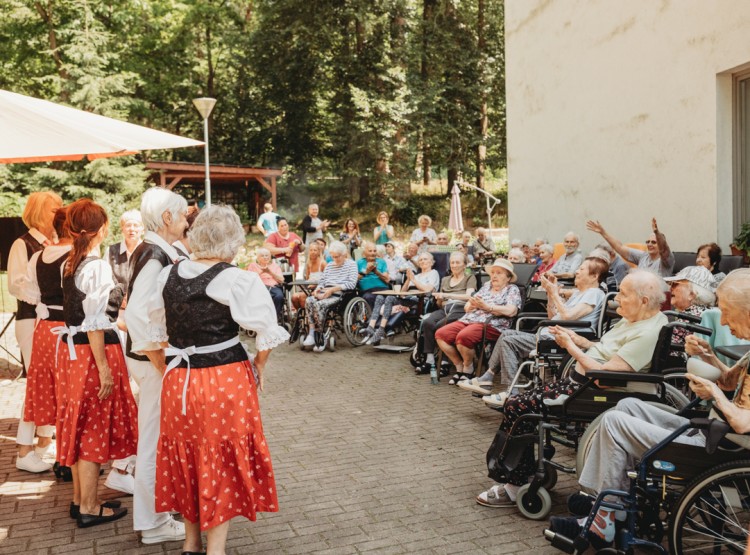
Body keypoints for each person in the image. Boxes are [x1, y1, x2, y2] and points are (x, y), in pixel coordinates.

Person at [548, 269, 750, 546]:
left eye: (727, 312)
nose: (724, 321)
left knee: (614, 423)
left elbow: (742, 423)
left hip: (723, 446)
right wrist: (709, 357)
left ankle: (602, 518)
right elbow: (729, 382)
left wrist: (713, 392)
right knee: (629, 405)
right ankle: (602, 502)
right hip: (714, 432)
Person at [148, 205, 288, 555]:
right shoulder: (237, 278)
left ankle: (191, 543)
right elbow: (266, 333)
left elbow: (154, 333)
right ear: (233, 241)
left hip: (179, 378)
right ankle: (216, 551)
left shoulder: (167, 275)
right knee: (218, 460)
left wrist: (167, 368)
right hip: (223, 379)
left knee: (190, 458)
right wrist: (258, 365)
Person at [476, 270, 668, 512]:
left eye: (624, 294)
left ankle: (513, 485)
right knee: (518, 401)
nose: (617, 298)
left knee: (517, 407)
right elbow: (605, 349)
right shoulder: (635, 319)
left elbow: (605, 378)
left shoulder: (647, 332)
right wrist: (578, 340)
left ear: (643, 301)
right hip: (578, 385)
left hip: (589, 391)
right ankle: (523, 471)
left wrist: (571, 349)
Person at [57, 198, 138, 528]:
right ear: (101, 229)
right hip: (92, 354)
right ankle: (90, 506)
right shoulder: (97, 265)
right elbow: (95, 321)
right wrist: (104, 367)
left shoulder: (70, 262)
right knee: (92, 426)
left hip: (72, 353)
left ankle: (80, 499)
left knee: (79, 422)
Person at [124, 187, 188, 544]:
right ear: (167, 218)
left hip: (149, 359)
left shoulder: (154, 251)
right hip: (151, 362)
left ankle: (158, 513)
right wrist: (161, 361)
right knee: (153, 441)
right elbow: (137, 314)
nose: (184, 222)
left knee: (156, 438)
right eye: (180, 216)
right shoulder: (154, 255)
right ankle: (152, 522)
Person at [466, 257, 608, 398]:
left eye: (581, 269)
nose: (576, 271)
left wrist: (554, 293)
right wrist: (550, 295)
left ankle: (511, 391)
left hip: (562, 338)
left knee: (508, 341)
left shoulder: (594, 294)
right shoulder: (578, 293)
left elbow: (567, 316)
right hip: (550, 333)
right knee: (506, 334)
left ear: (594, 276)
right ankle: (488, 376)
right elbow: (553, 317)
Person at [8, 190, 62, 473]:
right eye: (55, 209)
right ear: (41, 212)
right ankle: (24, 448)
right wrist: (47, 296)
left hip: (47, 320)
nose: (60, 213)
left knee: (48, 384)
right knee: (36, 384)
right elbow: (16, 285)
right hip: (30, 319)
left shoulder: (55, 242)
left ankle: (42, 442)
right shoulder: (23, 243)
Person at [436, 259, 523, 384]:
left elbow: (511, 311)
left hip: (492, 324)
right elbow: (467, 307)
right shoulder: (486, 286)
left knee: (464, 336)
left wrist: (488, 307)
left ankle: (468, 369)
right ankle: (459, 366)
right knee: (441, 334)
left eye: (499, 273)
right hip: (469, 319)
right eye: (493, 272)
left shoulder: (512, 289)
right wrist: (471, 306)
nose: (494, 275)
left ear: (508, 277)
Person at [361, 252, 440, 346]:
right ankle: (373, 328)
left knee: (389, 300)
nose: (423, 261)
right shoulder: (417, 276)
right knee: (380, 297)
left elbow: (428, 290)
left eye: (425, 259)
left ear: (432, 262)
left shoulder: (433, 273)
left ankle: (381, 330)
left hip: (420, 301)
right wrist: (408, 280)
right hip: (408, 299)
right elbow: (402, 293)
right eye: (420, 260)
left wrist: (413, 280)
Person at [417, 251, 477, 374]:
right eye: (452, 263)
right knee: (428, 322)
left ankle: (445, 362)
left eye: (457, 262)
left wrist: (446, 294)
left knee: (441, 325)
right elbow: (440, 303)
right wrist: (439, 300)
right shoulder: (445, 279)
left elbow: (468, 296)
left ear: (465, 265)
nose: (454, 265)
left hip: (460, 309)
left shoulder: (470, 277)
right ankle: (430, 361)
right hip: (445, 308)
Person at [302, 241, 358, 352]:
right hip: (324, 292)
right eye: (333, 257)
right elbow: (322, 281)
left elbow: (352, 284)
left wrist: (333, 289)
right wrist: (318, 289)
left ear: (344, 254)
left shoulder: (351, 265)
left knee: (320, 305)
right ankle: (312, 333)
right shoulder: (330, 266)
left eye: (337, 257)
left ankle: (321, 334)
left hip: (340, 295)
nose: (335, 259)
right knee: (309, 300)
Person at [586, 217, 674, 277]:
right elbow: (620, 248)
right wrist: (603, 232)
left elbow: (664, 250)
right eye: (648, 242)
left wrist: (657, 233)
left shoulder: (666, 261)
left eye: (654, 242)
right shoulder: (643, 256)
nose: (649, 244)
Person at [663, 265, 716, 349]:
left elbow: (665, 351)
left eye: (675, 284)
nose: (670, 288)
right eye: (671, 284)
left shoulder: (688, 317)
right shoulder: (706, 312)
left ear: (692, 294)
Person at [106, 209, 143, 293]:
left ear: (142, 229)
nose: (132, 229)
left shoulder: (150, 251)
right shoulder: (111, 251)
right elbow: (105, 281)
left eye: (136, 225)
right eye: (128, 225)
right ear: (122, 228)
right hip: (117, 304)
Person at [247, 248, 286, 322]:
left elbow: (281, 280)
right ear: (258, 258)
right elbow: (249, 279)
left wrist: (270, 272)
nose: (265, 257)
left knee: (279, 296)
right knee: (258, 298)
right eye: (262, 256)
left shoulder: (275, 266)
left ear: (270, 257)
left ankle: (274, 319)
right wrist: (262, 272)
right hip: (259, 287)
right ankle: (261, 319)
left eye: (267, 255)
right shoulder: (253, 266)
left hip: (273, 287)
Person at [291, 240, 327, 310]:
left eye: (315, 250)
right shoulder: (308, 264)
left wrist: (316, 285)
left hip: (320, 289)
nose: (313, 252)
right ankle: (301, 315)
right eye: (311, 250)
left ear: (319, 252)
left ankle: (307, 317)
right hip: (310, 289)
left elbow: (327, 279)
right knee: (294, 297)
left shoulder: (323, 263)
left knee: (302, 298)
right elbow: (308, 279)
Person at [357, 242, 390, 307]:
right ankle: (374, 316)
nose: (373, 253)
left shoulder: (381, 262)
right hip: (367, 290)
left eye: (374, 251)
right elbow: (355, 278)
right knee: (369, 297)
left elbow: (387, 280)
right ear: (365, 252)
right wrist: (366, 271)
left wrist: (376, 271)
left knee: (390, 298)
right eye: (370, 251)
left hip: (382, 289)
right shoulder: (359, 263)